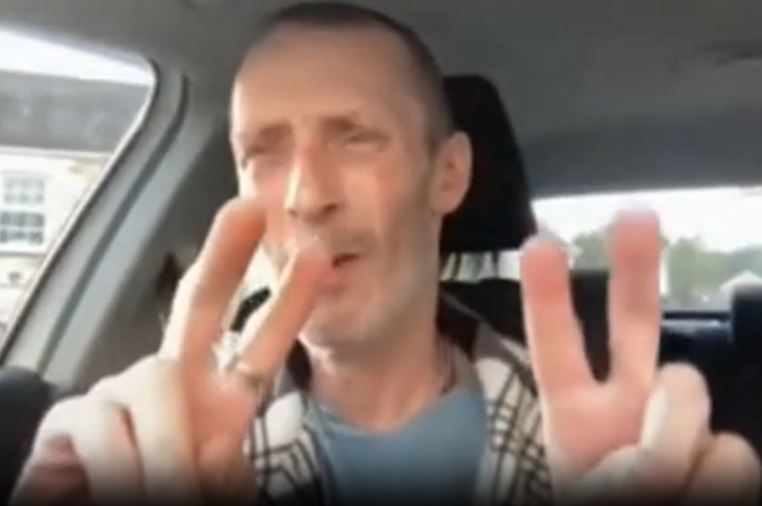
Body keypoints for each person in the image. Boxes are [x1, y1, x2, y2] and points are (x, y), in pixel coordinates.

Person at [11, 3, 761, 505]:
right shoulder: (160, 446)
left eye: (356, 138)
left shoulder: (598, 449)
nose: (306, 196)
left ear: (449, 176)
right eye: (263, 152)